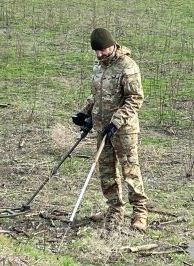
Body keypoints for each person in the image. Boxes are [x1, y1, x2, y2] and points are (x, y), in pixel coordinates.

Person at [72, 28, 148, 231]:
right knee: (106, 172)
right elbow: (96, 95)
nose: (99, 54)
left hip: (124, 130)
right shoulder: (98, 65)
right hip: (101, 128)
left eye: (102, 50)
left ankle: (140, 213)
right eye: (95, 51)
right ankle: (114, 210)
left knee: (129, 170)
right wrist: (85, 112)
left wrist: (116, 121)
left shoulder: (127, 66)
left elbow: (135, 99)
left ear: (112, 45)